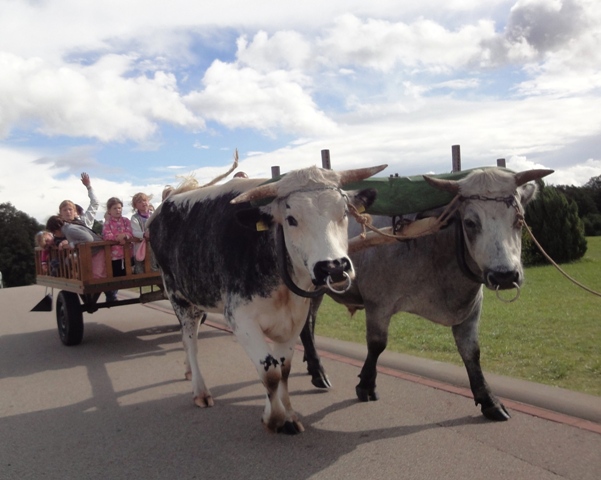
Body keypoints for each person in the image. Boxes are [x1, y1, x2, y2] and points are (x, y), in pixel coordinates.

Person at [102, 197, 134, 284]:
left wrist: (125, 236)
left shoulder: (126, 221)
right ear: (109, 211)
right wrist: (117, 238)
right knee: (117, 275)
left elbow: (130, 232)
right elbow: (106, 235)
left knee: (128, 274)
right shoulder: (107, 223)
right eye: (114, 208)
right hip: (114, 256)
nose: (117, 210)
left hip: (127, 253)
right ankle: (112, 295)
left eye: (119, 208)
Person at [130, 192, 153, 273]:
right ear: (135, 206)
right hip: (140, 245)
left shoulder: (153, 215)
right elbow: (134, 231)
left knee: (153, 264)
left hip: (152, 246)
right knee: (140, 264)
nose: (143, 203)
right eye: (139, 202)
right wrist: (143, 234)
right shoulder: (135, 218)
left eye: (144, 200)